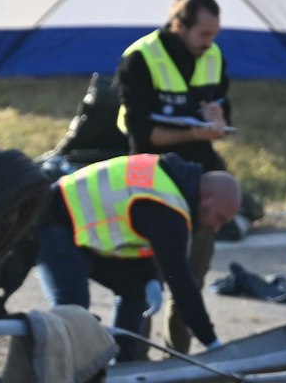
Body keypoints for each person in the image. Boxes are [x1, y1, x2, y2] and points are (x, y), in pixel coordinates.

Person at [116, 0, 235, 352]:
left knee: (190, 283)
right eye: (203, 34)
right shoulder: (140, 59)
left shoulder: (214, 56)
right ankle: (132, 362)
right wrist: (197, 135)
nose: (209, 43)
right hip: (152, 184)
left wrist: (217, 120)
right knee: (144, 284)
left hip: (199, 182)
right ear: (178, 25)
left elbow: (223, 113)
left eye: (214, 34)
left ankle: (178, 363)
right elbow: (143, 135)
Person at [33, 151, 240, 361]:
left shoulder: (169, 183)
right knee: (72, 309)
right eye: (219, 218)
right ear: (208, 197)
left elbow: (141, 236)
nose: (216, 227)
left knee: (136, 290)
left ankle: (122, 369)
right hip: (54, 221)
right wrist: (212, 342)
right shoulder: (169, 207)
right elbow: (181, 282)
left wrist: (149, 277)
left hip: (81, 232)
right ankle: (55, 376)